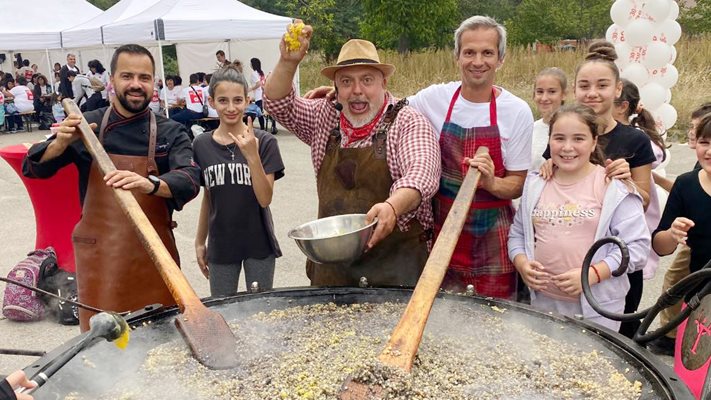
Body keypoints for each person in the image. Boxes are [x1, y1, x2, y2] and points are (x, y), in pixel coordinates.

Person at [22, 44, 201, 332]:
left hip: (154, 261)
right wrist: (60, 144)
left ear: (153, 83)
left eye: (144, 78)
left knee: (161, 343)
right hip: (99, 263)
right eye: (127, 76)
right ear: (112, 80)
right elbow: (34, 167)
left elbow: (191, 178)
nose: (135, 85)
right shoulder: (87, 126)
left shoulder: (170, 131)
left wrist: (151, 184)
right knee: (101, 348)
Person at [264, 23, 441, 287]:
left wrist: (392, 206)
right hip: (333, 271)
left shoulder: (407, 121)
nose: (357, 90)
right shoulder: (325, 116)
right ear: (335, 86)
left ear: (384, 82)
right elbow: (278, 104)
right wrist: (289, 62)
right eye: (347, 82)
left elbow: (421, 175)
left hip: (395, 270)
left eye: (367, 80)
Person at [406, 16, 534, 297]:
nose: (478, 61)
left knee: (497, 320)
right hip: (443, 239)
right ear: (457, 57)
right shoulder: (434, 99)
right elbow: (390, 109)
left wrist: (491, 183)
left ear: (500, 58)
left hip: (495, 242)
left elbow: (517, 183)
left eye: (487, 53)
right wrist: (336, 93)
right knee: (444, 321)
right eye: (469, 52)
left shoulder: (517, 111)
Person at [540, 42, 656, 338]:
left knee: (615, 340)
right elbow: (547, 184)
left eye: (601, 85)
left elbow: (643, 202)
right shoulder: (566, 137)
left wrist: (626, 181)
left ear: (618, 90)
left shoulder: (635, 141)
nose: (592, 93)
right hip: (561, 278)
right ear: (574, 90)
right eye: (584, 85)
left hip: (611, 269)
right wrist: (542, 169)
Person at [508, 104, 650, 331]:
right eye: (559, 138)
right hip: (544, 304)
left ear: (594, 142)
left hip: (597, 310)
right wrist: (522, 263)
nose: (567, 147)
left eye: (578, 139)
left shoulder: (613, 187)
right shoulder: (535, 184)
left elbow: (636, 248)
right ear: (549, 141)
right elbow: (517, 234)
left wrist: (591, 274)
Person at [193, 66, 284, 296]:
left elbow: (265, 199)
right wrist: (199, 241)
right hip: (221, 244)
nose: (231, 108)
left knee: (261, 314)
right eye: (223, 100)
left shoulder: (264, 142)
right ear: (212, 102)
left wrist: (252, 156)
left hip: (259, 242)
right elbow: (208, 196)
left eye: (237, 100)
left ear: (248, 100)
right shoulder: (202, 144)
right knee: (224, 314)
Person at [647, 102, 711, 356]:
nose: (709, 151)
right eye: (705, 142)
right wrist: (672, 234)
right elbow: (660, 246)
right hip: (701, 297)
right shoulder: (686, 185)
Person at [531, 68, 567, 170]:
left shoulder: (573, 128)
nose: (544, 98)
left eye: (551, 92)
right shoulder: (530, 129)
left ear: (563, 94)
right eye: (540, 92)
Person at [248, 58, 267, 131]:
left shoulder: (254, 73)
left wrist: (251, 88)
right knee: (260, 112)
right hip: (262, 94)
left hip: (258, 96)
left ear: (253, 64)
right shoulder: (261, 72)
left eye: (250, 63)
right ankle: (263, 128)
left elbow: (258, 83)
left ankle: (262, 128)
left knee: (258, 113)